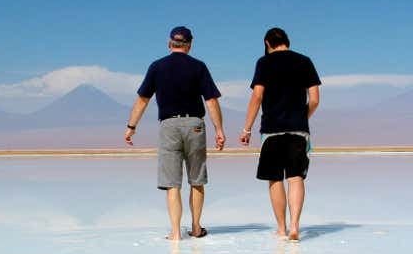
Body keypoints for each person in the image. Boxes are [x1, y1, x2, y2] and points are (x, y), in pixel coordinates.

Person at [124, 26, 226, 240]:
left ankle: (176, 233)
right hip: (195, 125)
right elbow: (211, 100)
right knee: (196, 179)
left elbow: (143, 99)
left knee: (172, 182)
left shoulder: (157, 67)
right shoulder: (198, 66)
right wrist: (219, 129)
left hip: (169, 126)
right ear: (189, 45)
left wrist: (131, 126)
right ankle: (196, 228)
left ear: (170, 43)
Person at [239, 27, 321, 241]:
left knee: (274, 178)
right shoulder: (304, 61)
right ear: (287, 41)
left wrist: (247, 128)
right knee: (295, 178)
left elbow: (257, 96)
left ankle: (282, 228)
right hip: (298, 129)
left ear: (267, 43)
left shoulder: (263, 63)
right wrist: (304, 117)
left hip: (271, 130)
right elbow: (314, 99)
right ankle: (295, 226)